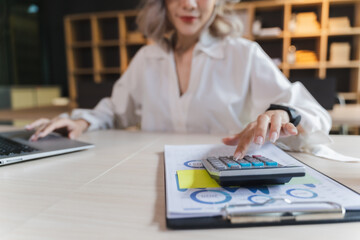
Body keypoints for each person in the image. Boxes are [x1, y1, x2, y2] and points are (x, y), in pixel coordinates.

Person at [27, 0, 331, 159]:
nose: (188, 3)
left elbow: (316, 115)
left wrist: (283, 112)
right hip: (151, 176)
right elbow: (115, 111)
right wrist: (80, 122)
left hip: (222, 176)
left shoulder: (244, 54)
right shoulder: (147, 58)